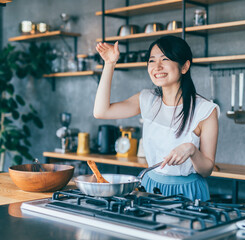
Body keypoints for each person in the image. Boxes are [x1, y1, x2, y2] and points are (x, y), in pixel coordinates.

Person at [93, 36, 219, 201]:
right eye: (152, 61)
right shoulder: (147, 99)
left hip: (188, 192)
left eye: (165, 59)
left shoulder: (205, 110)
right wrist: (109, 64)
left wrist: (192, 150)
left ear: (185, 66)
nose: (157, 67)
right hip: (150, 187)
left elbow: (206, 170)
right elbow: (101, 112)